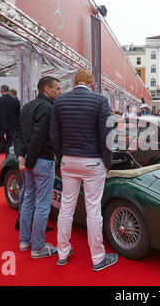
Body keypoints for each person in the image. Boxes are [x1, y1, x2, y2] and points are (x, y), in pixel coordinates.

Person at [50, 69, 118, 270]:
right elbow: (106, 135)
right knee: (93, 211)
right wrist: (107, 162)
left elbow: (54, 135)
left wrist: (63, 158)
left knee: (66, 208)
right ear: (91, 82)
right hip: (93, 162)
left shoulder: (60, 102)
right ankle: (98, 258)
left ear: (74, 82)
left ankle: (62, 253)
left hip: (69, 161)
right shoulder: (100, 101)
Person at [13, 76, 61, 259]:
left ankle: (25, 241)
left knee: (29, 200)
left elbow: (17, 133)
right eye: (57, 88)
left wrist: (21, 157)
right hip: (40, 161)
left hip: (28, 160)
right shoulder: (48, 108)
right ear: (47, 90)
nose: (59, 91)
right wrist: (29, 161)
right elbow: (39, 136)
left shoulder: (27, 106)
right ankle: (38, 247)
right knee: (41, 204)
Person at [0, 85, 20, 166]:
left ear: (1, 91)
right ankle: (7, 161)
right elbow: (18, 113)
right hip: (12, 125)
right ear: (8, 91)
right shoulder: (15, 100)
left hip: (0, 125)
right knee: (9, 142)